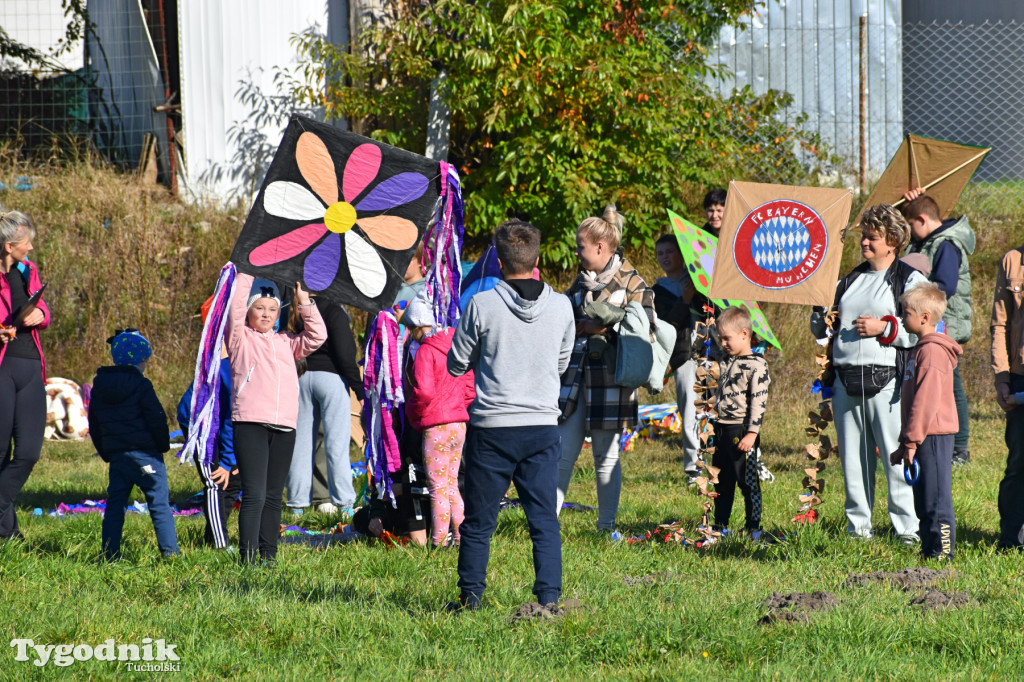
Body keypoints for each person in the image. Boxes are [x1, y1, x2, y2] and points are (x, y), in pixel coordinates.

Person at [446, 219, 575, 610]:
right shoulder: (562, 305)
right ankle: (549, 598)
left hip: (493, 427)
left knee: (479, 523)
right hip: (541, 425)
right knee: (543, 521)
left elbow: (456, 364)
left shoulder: (481, 305)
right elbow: (563, 362)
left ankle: (470, 599)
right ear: (537, 259)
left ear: (499, 262)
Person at [811, 204, 925, 542]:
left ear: (892, 241)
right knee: (853, 461)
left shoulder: (909, 279)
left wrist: (884, 327)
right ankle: (858, 530)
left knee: (895, 455)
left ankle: (908, 530)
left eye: (872, 237)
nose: (864, 242)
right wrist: (819, 311)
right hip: (846, 382)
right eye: (863, 236)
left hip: (887, 382)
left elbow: (926, 326)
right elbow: (822, 331)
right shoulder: (847, 280)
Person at [557, 206, 655, 532]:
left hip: (612, 380)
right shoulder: (579, 282)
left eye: (579, 246)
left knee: (605, 457)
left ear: (600, 247)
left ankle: (606, 527)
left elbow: (647, 330)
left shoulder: (634, 282)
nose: (575, 252)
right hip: (575, 376)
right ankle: (544, 523)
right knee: (562, 452)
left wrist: (602, 328)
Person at [225, 275, 325, 564]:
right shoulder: (240, 338)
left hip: (284, 427)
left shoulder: (287, 342)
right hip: (251, 424)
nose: (266, 314)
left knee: (272, 497)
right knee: (254, 494)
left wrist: (304, 302)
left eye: (272, 309)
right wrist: (245, 272)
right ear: (249, 311)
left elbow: (318, 336)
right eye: (260, 308)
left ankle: (268, 557)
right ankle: (248, 558)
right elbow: (233, 313)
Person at [89, 330, 178, 560]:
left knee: (115, 505)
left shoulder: (99, 386)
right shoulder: (142, 385)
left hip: (118, 457)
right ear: (142, 359)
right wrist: (163, 445)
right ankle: (170, 553)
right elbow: (156, 417)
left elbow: (94, 423)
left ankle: (109, 554)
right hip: (145, 454)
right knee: (158, 502)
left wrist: (106, 452)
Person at [902, 190, 975, 466]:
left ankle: (960, 448)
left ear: (921, 219)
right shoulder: (925, 242)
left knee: (952, 386)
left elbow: (946, 285)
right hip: (929, 324)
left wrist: (916, 291)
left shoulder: (946, 245)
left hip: (945, 325)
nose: (909, 233)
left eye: (909, 225)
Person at [889, 283, 961, 559]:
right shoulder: (918, 350)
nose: (901, 319)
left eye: (905, 313)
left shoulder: (931, 353)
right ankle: (928, 551)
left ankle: (942, 554)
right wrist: (905, 442)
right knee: (923, 499)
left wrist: (912, 439)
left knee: (936, 499)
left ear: (924, 317)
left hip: (934, 436)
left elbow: (925, 403)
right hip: (921, 437)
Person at [404, 293, 476, 548]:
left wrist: (413, 414)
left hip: (436, 427)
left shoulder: (425, 351)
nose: (411, 333)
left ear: (419, 325)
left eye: (411, 328)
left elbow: (423, 391)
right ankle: (461, 537)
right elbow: (470, 387)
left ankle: (438, 542)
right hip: (459, 425)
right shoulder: (458, 345)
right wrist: (458, 407)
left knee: (436, 486)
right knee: (452, 484)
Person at [285, 298, 363, 516]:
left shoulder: (295, 306)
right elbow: (345, 354)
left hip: (300, 377)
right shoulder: (334, 308)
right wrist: (358, 389)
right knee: (336, 445)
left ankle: (296, 506)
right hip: (331, 379)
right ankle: (345, 504)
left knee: (300, 446)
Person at [0, 210, 49, 541]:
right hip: (3, 368)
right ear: (8, 246)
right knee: (1, 452)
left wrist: (39, 314)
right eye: (25, 242)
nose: (30, 247)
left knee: (29, 452)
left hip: (32, 366)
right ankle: (8, 534)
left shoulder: (27, 270)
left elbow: (44, 312)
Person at [712, 306, 770, 533]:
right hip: (721, 430)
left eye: (727, 338)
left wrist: (752, 433)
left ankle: (753, 527)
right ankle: (720, 525)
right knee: (721, 480)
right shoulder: (724, 361)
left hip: (742, 432)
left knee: (748, 482)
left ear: (744, 334)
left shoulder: (757, 365)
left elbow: (758, 401)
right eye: (720, 338)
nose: (723, 343)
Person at [176, 347, 240, 550]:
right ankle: (221, 545)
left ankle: (211, 536)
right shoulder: (233, 371)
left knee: (234, 483)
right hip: (201, 425)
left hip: (222, 425)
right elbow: (232, 417)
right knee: (215, 482)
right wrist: (229, 460)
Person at [653, 234, 699, 483]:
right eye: (660, 253)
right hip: (683, 357)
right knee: (689, 410)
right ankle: (694, 467)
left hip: (710, 352)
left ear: (681, 255)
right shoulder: (657, 291)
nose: (665, 257)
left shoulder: (700, 281)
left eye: (670, 252)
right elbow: (667, 325)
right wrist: (685, 300)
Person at [991, 243, 1024, 549]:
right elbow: (1000, 323)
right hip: (1018, 376)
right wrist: (1002, 377)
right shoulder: (1012, 261)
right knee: (1018, 462)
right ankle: (1010, 538)